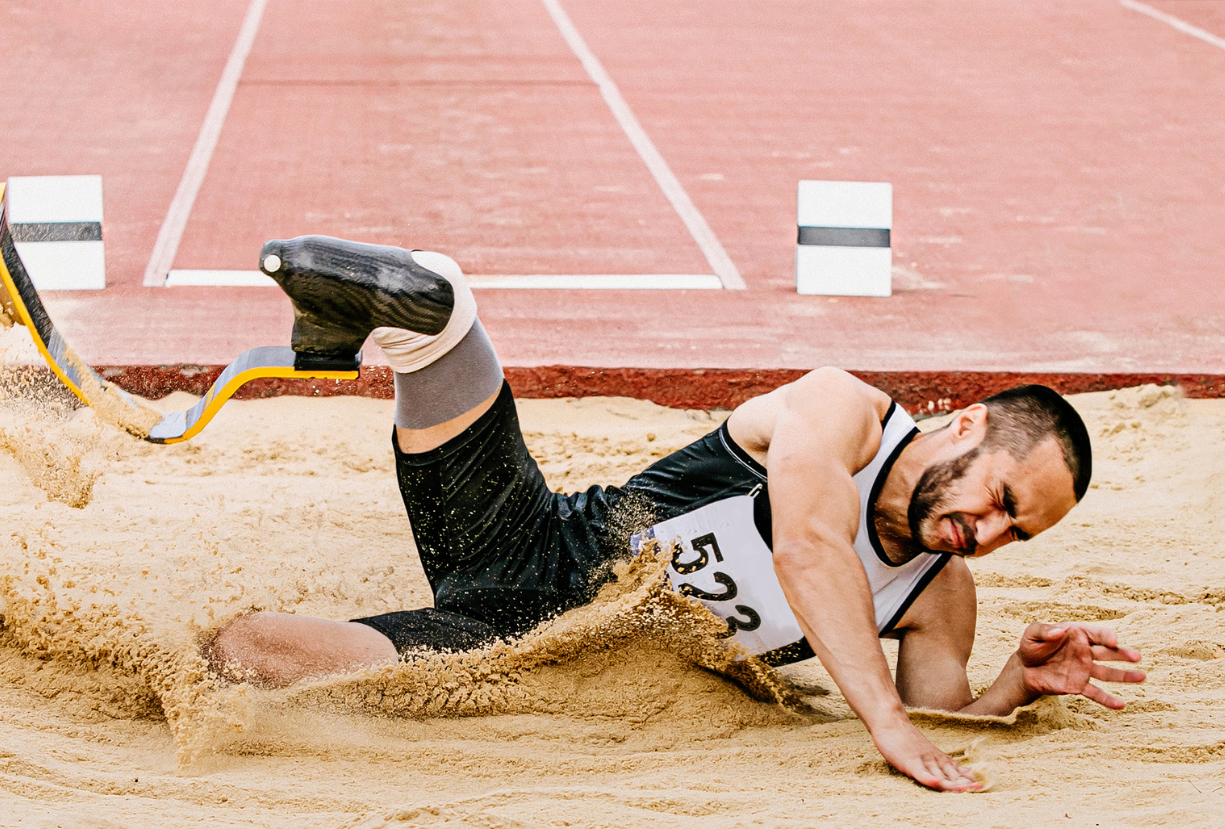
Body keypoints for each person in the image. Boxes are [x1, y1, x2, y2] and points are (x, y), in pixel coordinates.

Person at [209, 236, 1145, 792]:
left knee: (249, 657)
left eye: (1016, 535)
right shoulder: (841, 409)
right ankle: (423, 307)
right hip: (537, 543)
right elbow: (812, 548)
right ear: (967, 425)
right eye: (1002, 501)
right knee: (437, 327)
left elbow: (935, 712)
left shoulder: (939, 593)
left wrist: (1016, 688)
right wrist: (886, 732)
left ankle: (157, 650)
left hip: (521, 654)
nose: (985, 534)